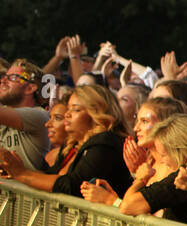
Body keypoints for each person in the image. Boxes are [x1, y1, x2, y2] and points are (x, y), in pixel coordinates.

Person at [82, 114, 187, 221]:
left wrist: (140, 179)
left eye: (164, 154)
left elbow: (128, 206)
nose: (162, 161)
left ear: (178, 151)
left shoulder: (182, 179)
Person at [0, 84, 131, 196]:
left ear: (96, 114)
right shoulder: (72, 144)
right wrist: (13, 170)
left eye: (76, 109)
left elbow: (73, 186)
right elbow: (50, 175)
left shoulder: (105, 143)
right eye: (68, 108)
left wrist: (22, 174)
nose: (67, 114)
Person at [0, 59, 51, 171]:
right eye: (4, 76)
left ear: (30, 88)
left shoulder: (39, 116)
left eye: (13, 77)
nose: (3, 80)